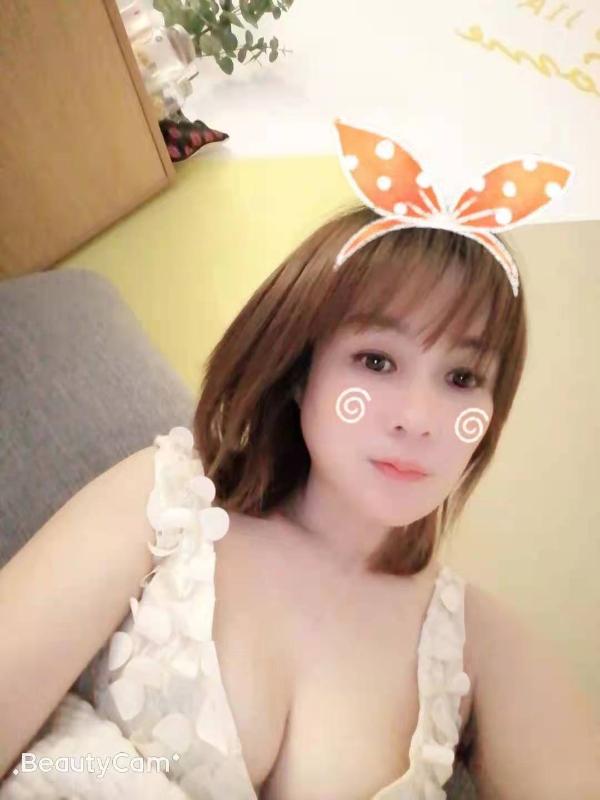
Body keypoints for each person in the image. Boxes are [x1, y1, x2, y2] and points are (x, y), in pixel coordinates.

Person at [1, 205, 599, 799]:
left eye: (463, 377)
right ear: (299, 370)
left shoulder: (478, 643)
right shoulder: (163, 501)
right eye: (376, 361)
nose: (419, 419)